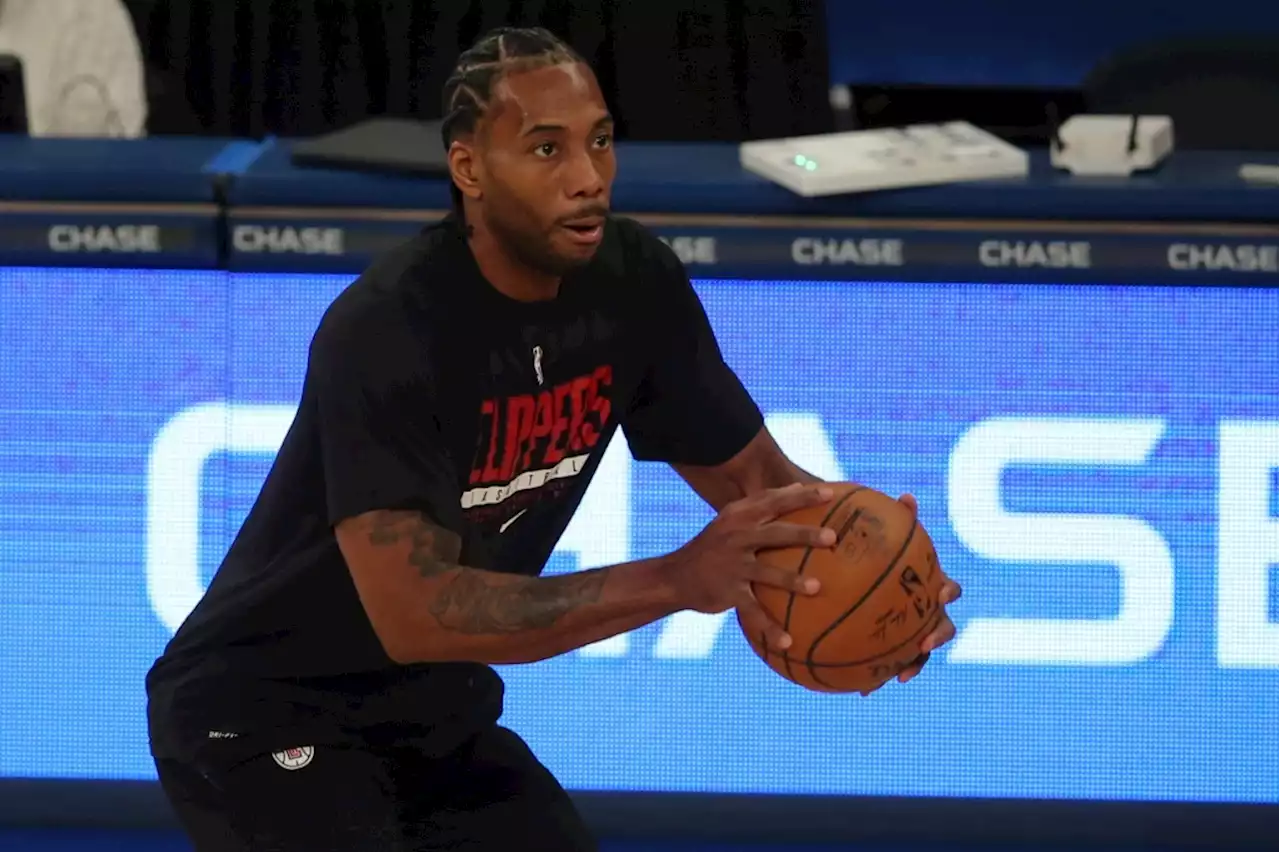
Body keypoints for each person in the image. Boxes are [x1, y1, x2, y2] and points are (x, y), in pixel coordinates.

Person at [145, 25, 962, 852]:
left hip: (431, 712)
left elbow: (760, 485)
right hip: (260, 706)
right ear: (469, 169)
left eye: (599, 142)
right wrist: (679, 577)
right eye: (546, 149)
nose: (588, 179)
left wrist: (885, 580)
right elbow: (419, 612)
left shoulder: (632, 284)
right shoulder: (390, 327)